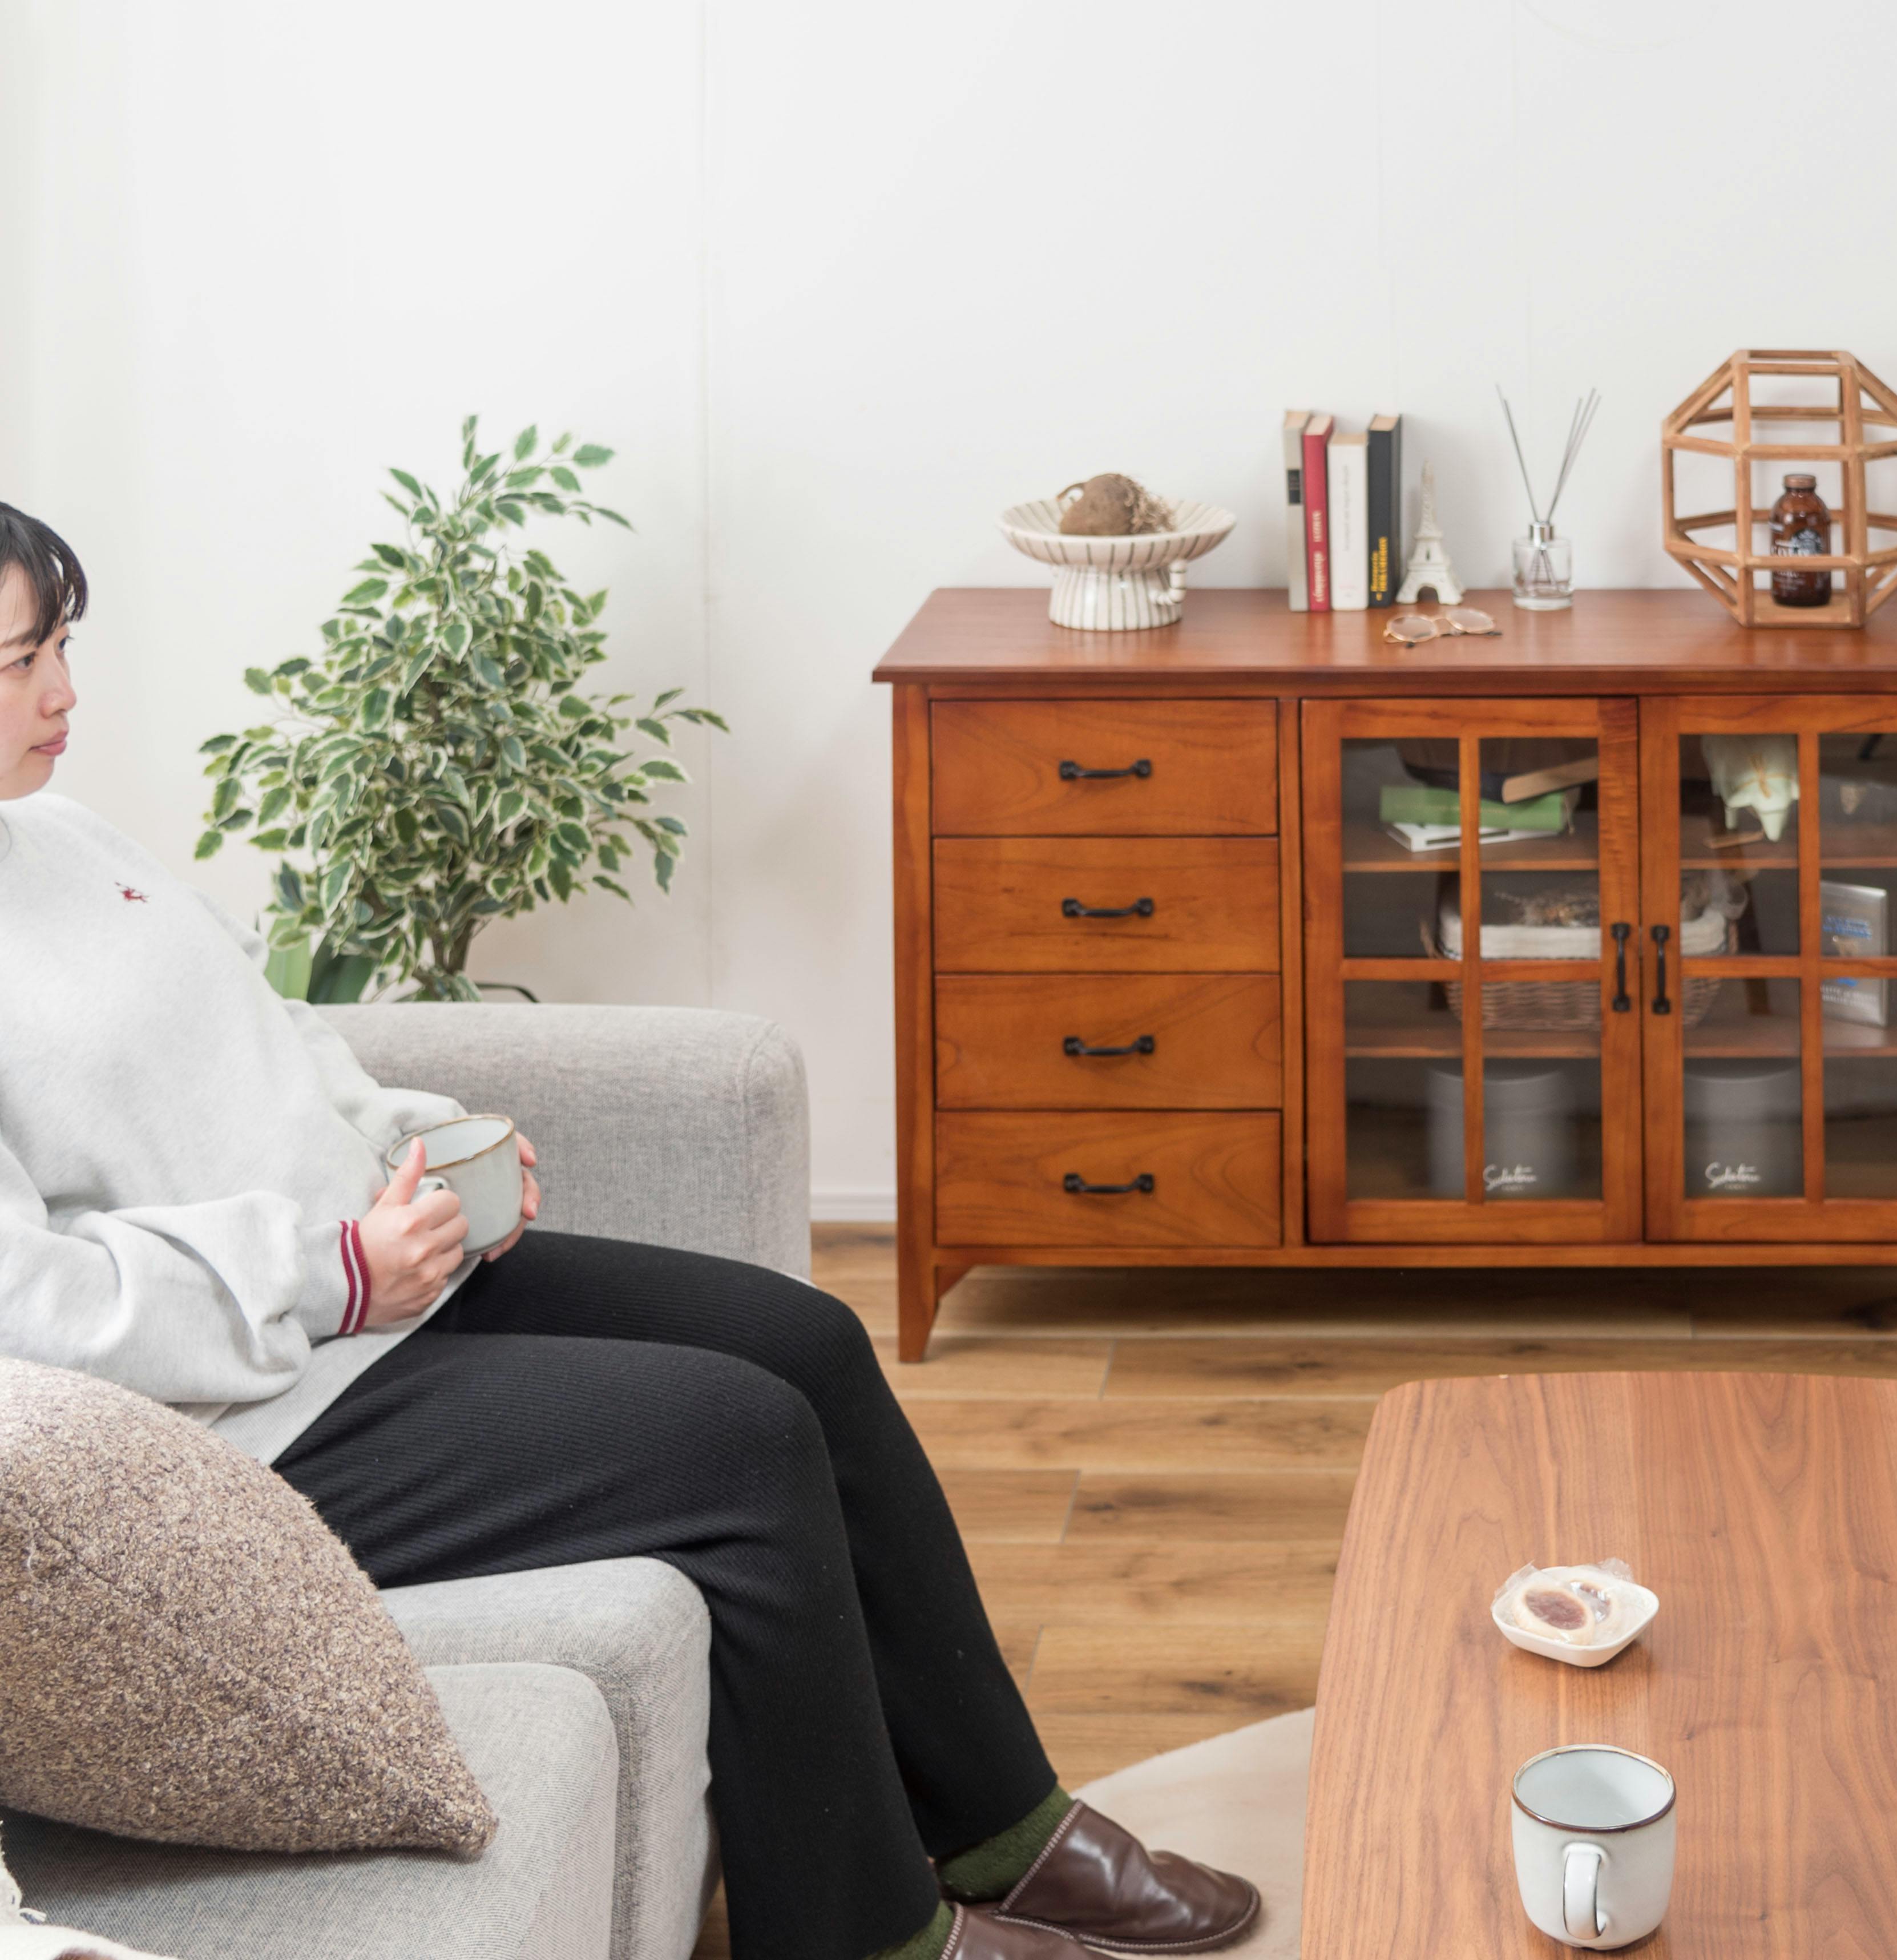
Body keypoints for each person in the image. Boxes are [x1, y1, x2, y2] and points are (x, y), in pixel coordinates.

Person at [0, 502, 1259, 1960]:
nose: (65, 691)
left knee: (808, 1342)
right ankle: (875, 1940)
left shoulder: (61, 832)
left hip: (379, 1294)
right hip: (246, 1420)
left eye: (61, 644)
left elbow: (271, 1032)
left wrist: (416, 1143)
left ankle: (1009, 1833)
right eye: (21, 661)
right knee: (743, 1439)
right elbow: (35, 1311)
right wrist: (331, 1272)